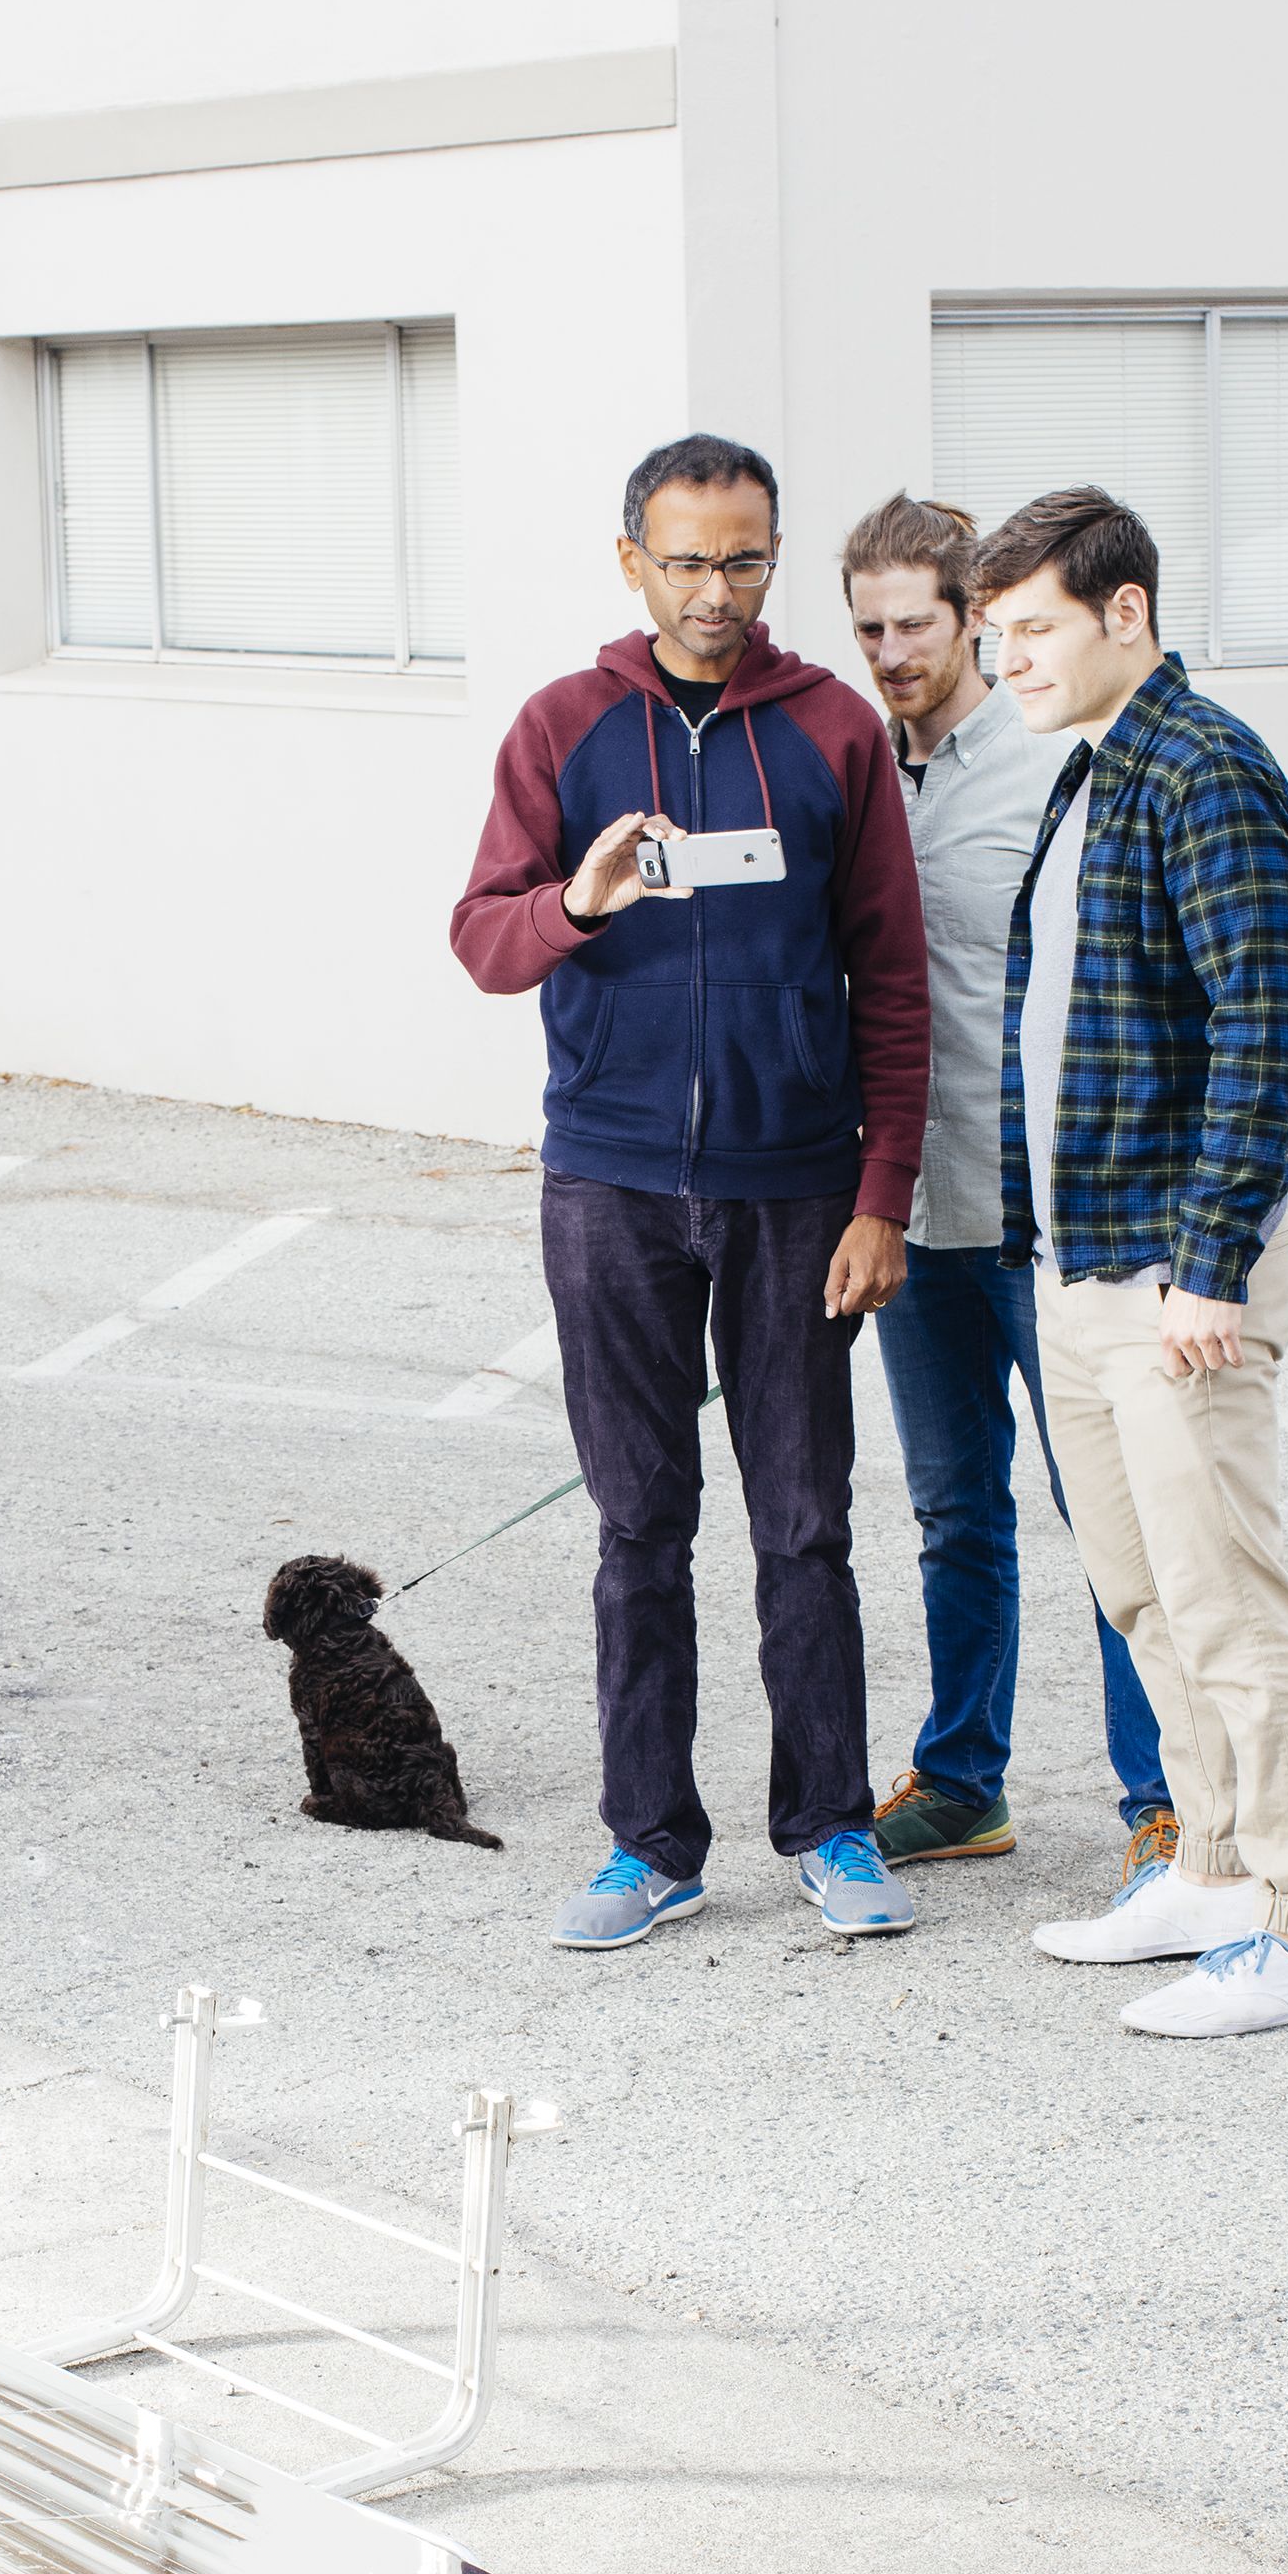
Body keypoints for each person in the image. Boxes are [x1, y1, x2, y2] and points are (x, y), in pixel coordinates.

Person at [450, 433, 931, 1951]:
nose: (717, 590)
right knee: (637, 1527)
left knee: (804, 1525)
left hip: (797, 1189)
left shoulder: (835, 733)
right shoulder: (562, 728)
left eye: (744, 559)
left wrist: (882, 1194)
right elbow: (483, 939)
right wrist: (581, 899)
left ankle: (833, 1830)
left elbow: (896, 984)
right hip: (609, 1181)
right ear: (630, 561)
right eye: (687, 560)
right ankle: (649, 1843)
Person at [971, 482, 1288, 2037]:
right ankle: (1208, 1867)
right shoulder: (1089, 775)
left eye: (1033, 631)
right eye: (995, 638)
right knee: (1141, 1596)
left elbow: (1266, 1041)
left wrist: (1209, 1267)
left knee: (1229, 1602)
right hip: (1083, 1269)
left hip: (1174, 1281)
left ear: (1125, 612)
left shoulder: (1206, 773)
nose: (1008, 664)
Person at [839, 490, 1174, 1889]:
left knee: (1112, 1513)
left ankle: (1163, 1800)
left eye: (919, 623)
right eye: (869, 627)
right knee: (951, 1512)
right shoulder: (855, 767)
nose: (894, 650)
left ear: (974, 622)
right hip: (913, 1212)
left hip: (1045, 1217)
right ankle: (964, 1780)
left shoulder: (1047, 764)